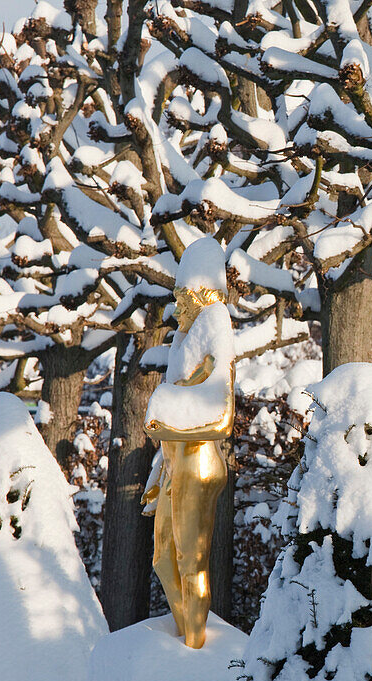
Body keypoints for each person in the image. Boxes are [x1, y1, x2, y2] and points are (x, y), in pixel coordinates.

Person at [142, 239, 234, 649]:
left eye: (183, 299)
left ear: (202, 296)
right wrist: (158, 472)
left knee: (189, 561)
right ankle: (185, 639)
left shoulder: (216, 326)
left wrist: (166, 421)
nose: (176, 310)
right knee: (163, 560)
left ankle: (194, 648)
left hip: (198, 462)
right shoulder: (182, 342)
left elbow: (221, 415)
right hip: (174, 463)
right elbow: (166, 411)